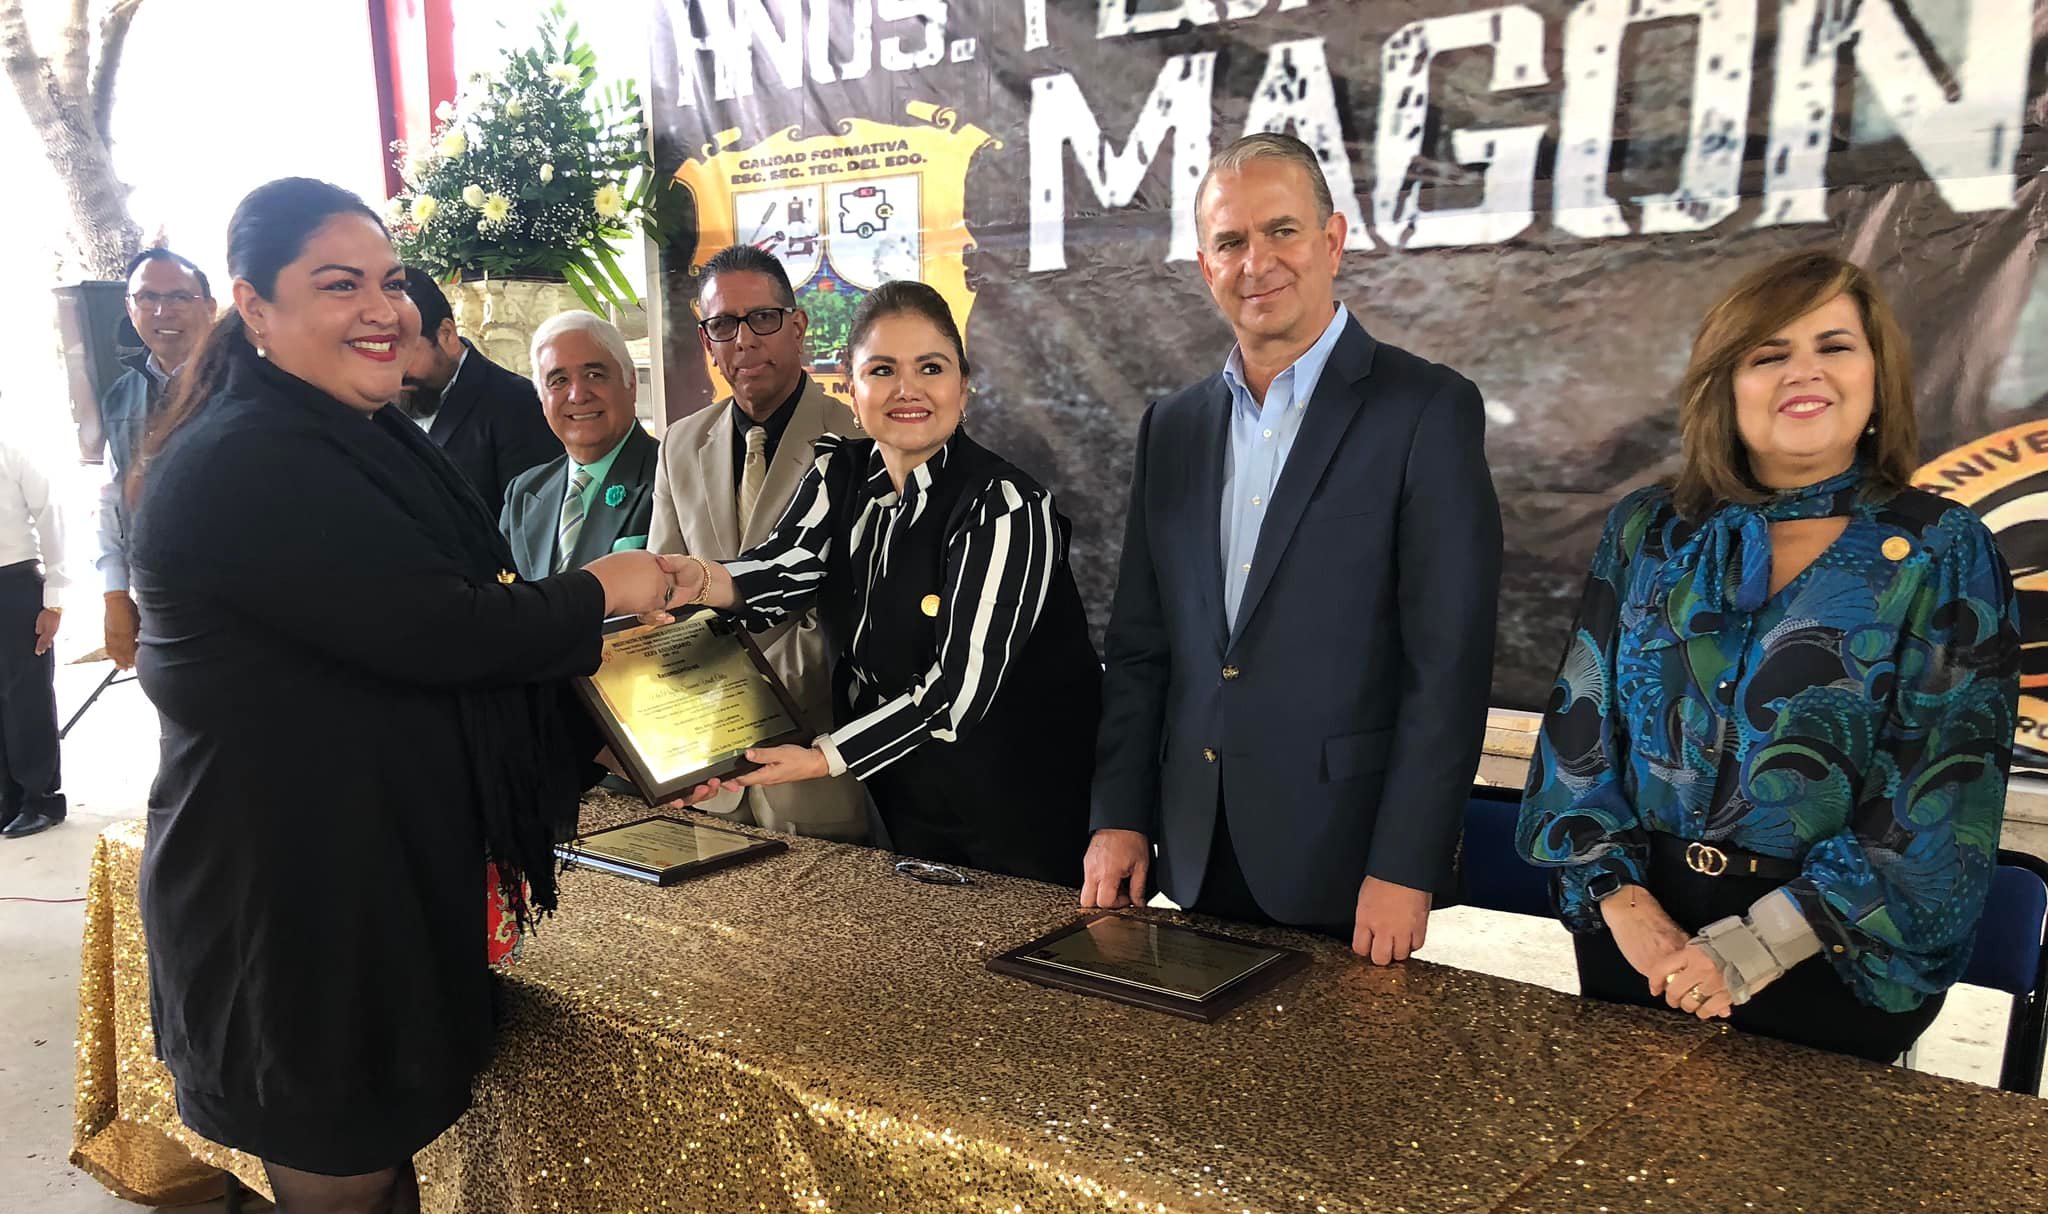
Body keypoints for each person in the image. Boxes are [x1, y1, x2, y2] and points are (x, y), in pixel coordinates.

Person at [129, 178, 686, 1214]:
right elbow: (443, 632)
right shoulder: (249, 462)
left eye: (388, 280)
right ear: (251, 306)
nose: (380, 309)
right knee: (330, 1194)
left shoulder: (358, 432)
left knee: (379, 1164)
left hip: (374, 864)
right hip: (286, 897)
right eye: (337, 283)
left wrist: (628, 732)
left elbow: (454, 628)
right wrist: (607, 590)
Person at [1516, 251, 2021, 1061]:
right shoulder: (1648, 531)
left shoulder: (1942, 550)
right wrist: (1623, 905)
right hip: (1641, 941)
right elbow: (1579, 731)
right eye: (1769, 353)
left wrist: (1753, 947)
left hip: (1836, 953)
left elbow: (1944, 792)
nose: (1804, 372)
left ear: (1877, 375)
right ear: (1727, 383)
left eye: (1834, 345)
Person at [1082, 132, 1502, 959]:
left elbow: (1447, 667)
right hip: (1193, 847)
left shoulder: (1426, 409)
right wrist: (1120, 815)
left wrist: (1406, 862)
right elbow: (1140, 649)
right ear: (1206, 267)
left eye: (1281, 231)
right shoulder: (1173, 427)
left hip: (1348, 864)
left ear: (1333, 240)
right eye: (1231, 242)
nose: (1256, 262)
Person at [669, 280, 1101, 883]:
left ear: (963, 385)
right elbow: (783, 570)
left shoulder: (1004, 506)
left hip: (1023, 804)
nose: (908, 390)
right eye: (882, 369)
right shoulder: (836, 471)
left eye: (931, 367)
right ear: (849, 386)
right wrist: (689, 582)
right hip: (905, 793)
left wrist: (823, 758)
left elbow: (955, 696)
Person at [648, 244, 870, 840]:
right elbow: (663, 597)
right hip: (712, 762)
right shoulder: (678, 443)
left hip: (819, 749)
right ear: (707, 341)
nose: (743, 340)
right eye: (723, 324)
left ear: (798, 327)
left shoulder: (861, 440)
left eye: (762, 319)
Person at [98, 246, 213, 671]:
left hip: (238, 601)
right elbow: (110, 501)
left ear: (210, 307)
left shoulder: (243, 385)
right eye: (147, 298)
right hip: (157, 605)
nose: (163, 310)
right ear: (130, 309)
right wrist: (114, 593)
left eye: (181, 297)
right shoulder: (120, 397)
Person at [498, 310, 657, 581]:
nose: (578, 395)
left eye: (594, 375)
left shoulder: (672, 477)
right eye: (559, 381)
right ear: (541, 398)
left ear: (630, 382)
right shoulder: (525, 492)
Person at [398, 267, 557, 512]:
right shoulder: (379, 402)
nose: (393, 370)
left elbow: (528, 530)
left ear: (447, 335)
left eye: (405, 353)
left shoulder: (517, 405)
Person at [0, 426, 66, 837]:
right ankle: (7, 798)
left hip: (15, 581)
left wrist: (54, 598)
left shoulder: (14, 446)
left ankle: (40, 799)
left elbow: (51, 515)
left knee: (26, 695)